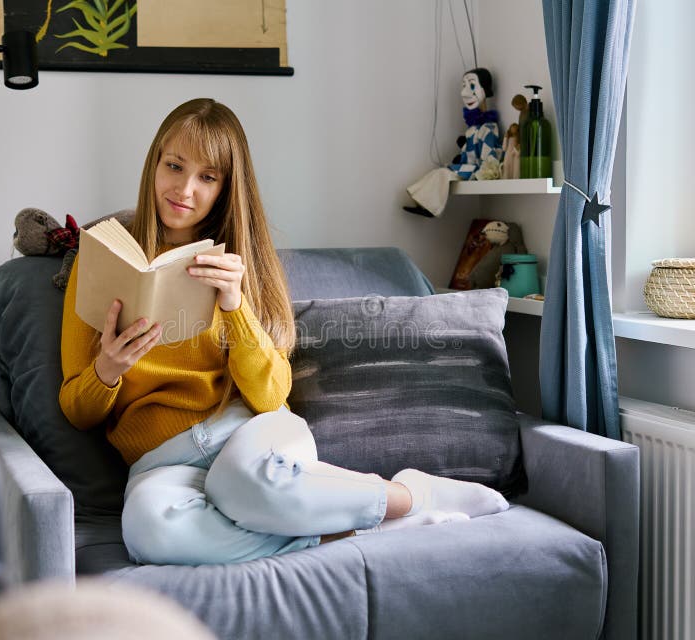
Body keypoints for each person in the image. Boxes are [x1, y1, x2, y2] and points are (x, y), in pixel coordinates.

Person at [59, 98, 509, 567]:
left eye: (207, 177)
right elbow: (77, 410)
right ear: (154, 164)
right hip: (161, 463)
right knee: (150, 533)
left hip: (246, 435)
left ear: (226, 188)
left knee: (245, 486)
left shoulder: (242, 264)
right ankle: (370, 526)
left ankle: (412, 495)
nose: (185, 189)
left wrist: (233, 306)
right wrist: (107, 371)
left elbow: (272, 395)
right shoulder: (102, 263)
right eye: (174, 166)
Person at [407, 68, 503, 217]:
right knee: (438, 172)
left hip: (475, 169)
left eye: (471, 85)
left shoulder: (489, 128)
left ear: (485, 89)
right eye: (463, 86)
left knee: (444, 174)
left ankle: (432, 207)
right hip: (467, 165)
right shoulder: (472, 129)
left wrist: (483, 172)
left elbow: (488, 157)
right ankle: (422, 202)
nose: (464, 93)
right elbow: (468, 151)